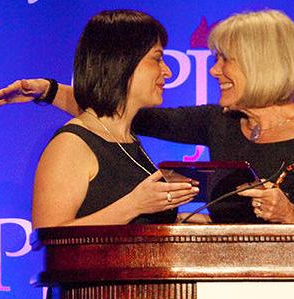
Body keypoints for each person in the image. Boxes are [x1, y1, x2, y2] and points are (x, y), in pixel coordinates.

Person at [0, 9, 294, 224]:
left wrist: (288, 215)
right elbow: (119, 111)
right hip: (219, 294)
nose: (214, 70)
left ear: (261, 65)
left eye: (225, 60)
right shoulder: (219, 122)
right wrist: (49, 90)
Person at [29, 9, 198, 230]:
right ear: (121, 62)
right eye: (157, 59)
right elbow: (49, 236)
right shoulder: (71, 145)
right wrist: (134, 206)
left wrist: (180, 218)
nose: (167, 72)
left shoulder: (126, 140)